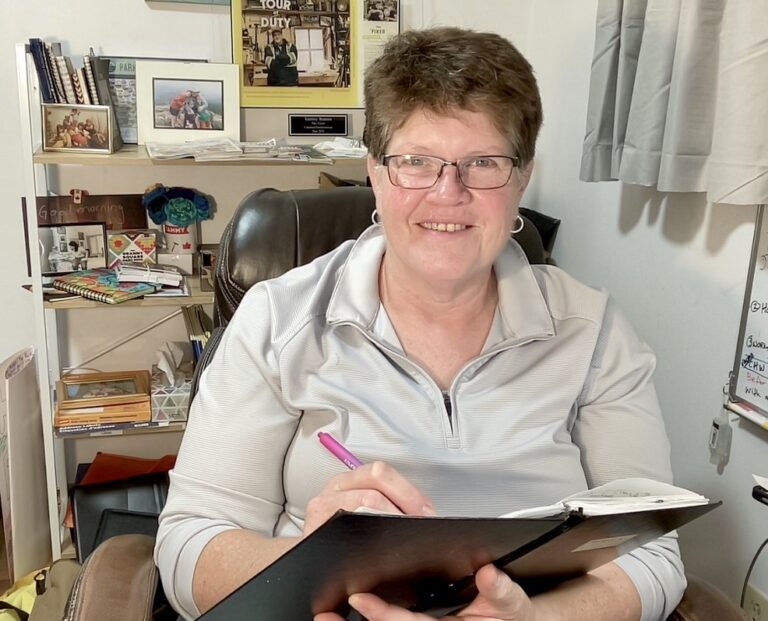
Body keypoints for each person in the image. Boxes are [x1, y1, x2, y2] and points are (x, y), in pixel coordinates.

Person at [156, 27, 685, 621]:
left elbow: (652, 550)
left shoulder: (594, 331)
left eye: (483, 163)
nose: (447, 193)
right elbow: (188, 547)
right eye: (416, 162)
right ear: (376, 173)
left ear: (522, 178)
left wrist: (539, 619)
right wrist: (303, 560)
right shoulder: (278, 320)